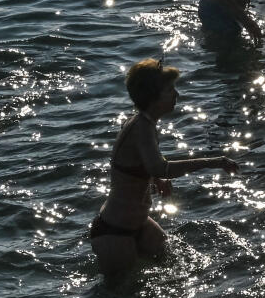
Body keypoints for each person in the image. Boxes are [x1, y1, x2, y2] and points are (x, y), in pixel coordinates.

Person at [89, 60, 239, 276]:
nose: (176, 95)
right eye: (170, 90)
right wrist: (215, 161)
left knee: (176, 265)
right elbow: (162, 168)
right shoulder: (142, 127)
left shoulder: (142, 122)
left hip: (138, 225)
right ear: (153, 97)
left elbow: (137, 164)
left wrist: (155, 180)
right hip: (114, 232)